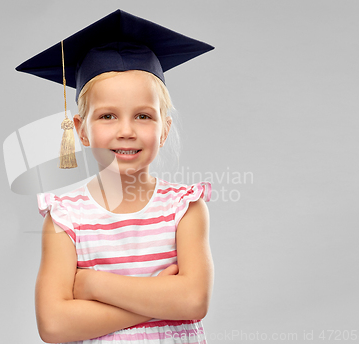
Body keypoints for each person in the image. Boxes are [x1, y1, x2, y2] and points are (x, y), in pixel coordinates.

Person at [17, 9, 214, 343]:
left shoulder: (185, 209)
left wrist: (94, 285)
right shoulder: (66, 218)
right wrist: (161, 300)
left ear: (164, 129)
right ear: (81, 130)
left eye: (143, 116)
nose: (126, 131)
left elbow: (194, 300)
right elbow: (54, 325)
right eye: (108, 116)